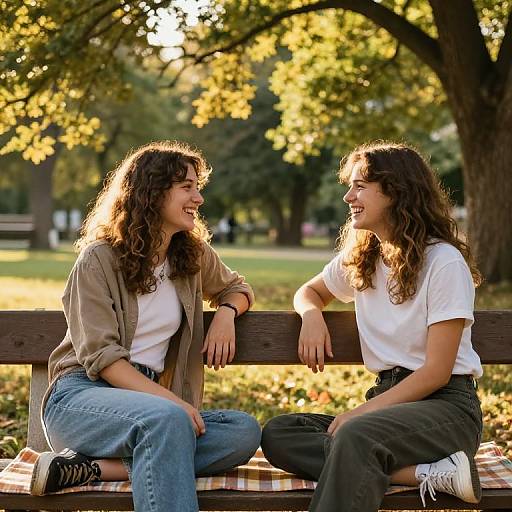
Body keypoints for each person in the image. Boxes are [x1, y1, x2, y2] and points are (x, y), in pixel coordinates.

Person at [30, 141, 261, 512]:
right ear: (152, 193)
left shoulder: (191, 254)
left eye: (197, 187)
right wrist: (170, 403)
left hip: (150, 406)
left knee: (243, 431)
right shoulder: (99, 260)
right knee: (168, 421)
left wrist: (226, 314)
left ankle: (93, 469)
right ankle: (137, 448)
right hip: (81, 398)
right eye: (187, 187)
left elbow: (237, 287)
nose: (198, 198)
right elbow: (103, 359)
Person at [261, 142, 483, 511]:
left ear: (396, 192)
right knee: (280, 434)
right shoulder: (364, 257)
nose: (349, 196)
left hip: (447, 411)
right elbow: (309, 292)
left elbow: (436, 372)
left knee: (354, 434)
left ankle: (397, 457)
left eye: (360, 186)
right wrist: (312, 315)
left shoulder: (443, 261)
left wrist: (359, 414)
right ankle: (427, 473)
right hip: (387, 406)